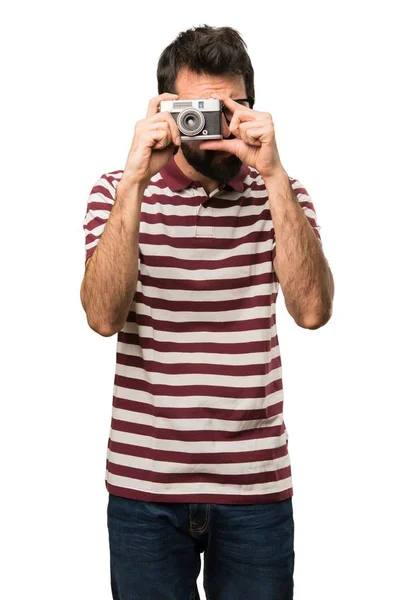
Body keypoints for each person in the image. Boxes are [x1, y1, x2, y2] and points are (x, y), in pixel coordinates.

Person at [81, 24, 334, 600]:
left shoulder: (282, 194)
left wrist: (270, 173)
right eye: (201, 110)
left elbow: (313, 311)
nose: (217, 125)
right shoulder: (117, 192)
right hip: (143, 490)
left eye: (232, 107)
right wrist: (135, 182)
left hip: (256, 489)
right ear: (168, 111)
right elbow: (102, 317)